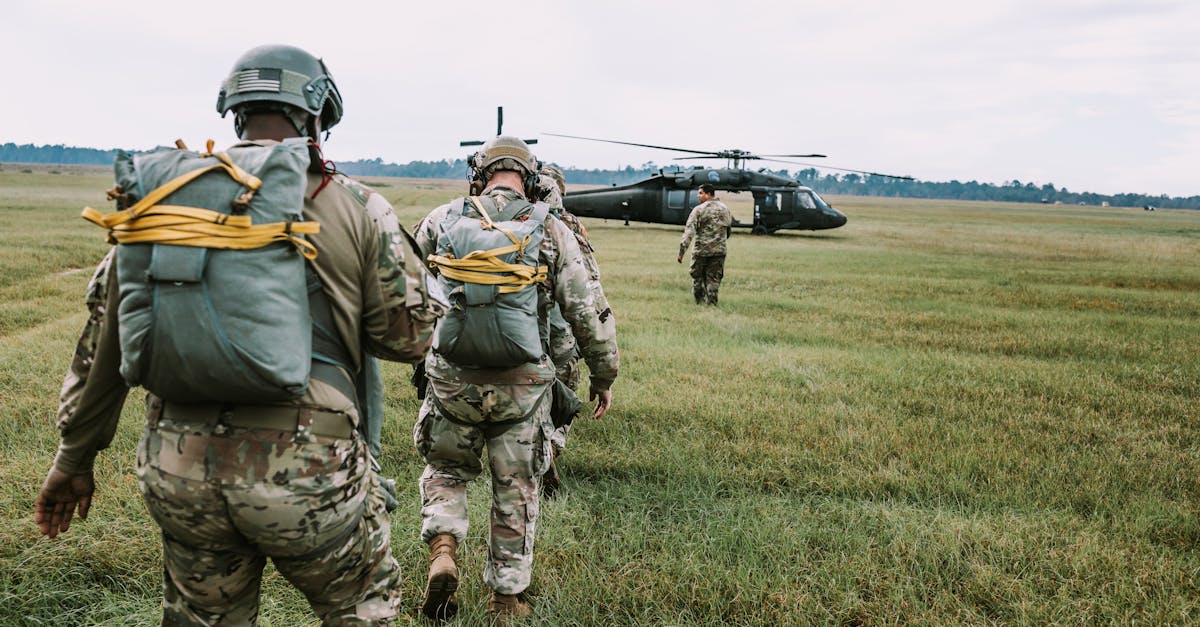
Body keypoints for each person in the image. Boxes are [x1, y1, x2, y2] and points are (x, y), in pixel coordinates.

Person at [35, 44, 444, 624]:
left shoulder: (168, 197)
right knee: (361, 604)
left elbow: (105, 334)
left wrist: (73, 458)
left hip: (179, 467)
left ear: (234, 110)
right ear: (318, 114)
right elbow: (408, 339)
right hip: (310, 467)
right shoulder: (355, 204)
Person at [411, 136, 619, 621]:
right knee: (516, 489)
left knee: (445, 469)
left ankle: (443, 547)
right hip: (522, 389)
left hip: (450, 383)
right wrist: (603, 375)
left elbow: (396, 279)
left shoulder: (442, 219)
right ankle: (506, 599)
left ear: (479, 175)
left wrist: (419, 347)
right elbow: (587, 312)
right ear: (530, 178)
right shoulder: (550, 231)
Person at [534, 164, 614, 497]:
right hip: (564, 334)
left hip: (523, 336)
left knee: (529, 400)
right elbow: (591, 290)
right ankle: (550, 448)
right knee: (564, 397)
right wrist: (605, 371)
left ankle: (534, 451)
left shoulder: (510, 224)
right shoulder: (570, 230)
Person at [677, 183, 733, 305]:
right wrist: (720, 242)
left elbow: (689, 232)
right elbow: (728, 231)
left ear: (708, 194)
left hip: (701, 251)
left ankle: (700, 304)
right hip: (719, 251)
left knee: (697, 277)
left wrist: (681, 252)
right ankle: (712, 304)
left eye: (701, 193)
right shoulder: (725, 209)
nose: (698, 196)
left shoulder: (699, 210)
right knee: (714, 279)